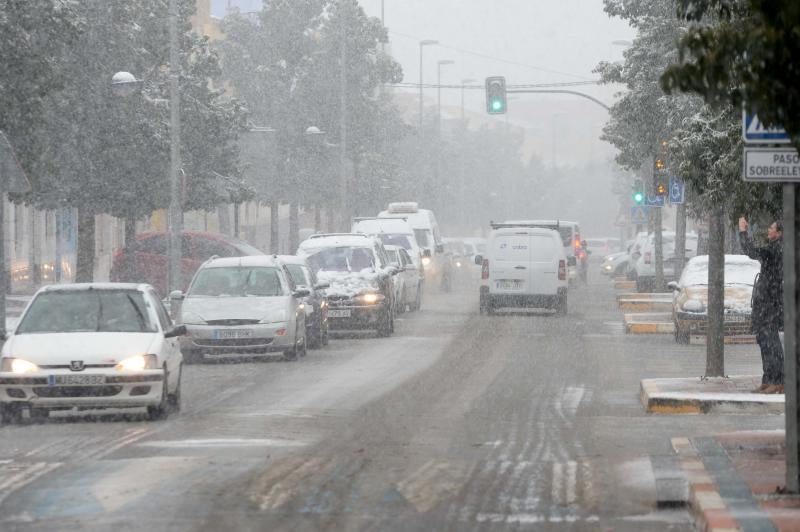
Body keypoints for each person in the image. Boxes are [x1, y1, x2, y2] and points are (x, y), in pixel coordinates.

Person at [739, 217, 784, 394]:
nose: (768, 230)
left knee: (770, 342)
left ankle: (777, 380)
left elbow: (752, 250)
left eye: (772, 228)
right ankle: (768, 379)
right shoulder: (776, 248)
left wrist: (743, 232)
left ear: (779, 233)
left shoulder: (777, 249)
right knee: (764, 340)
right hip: (767, 303)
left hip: (770, 304)